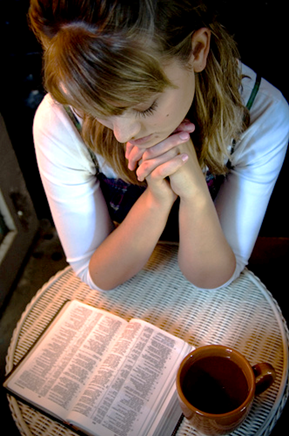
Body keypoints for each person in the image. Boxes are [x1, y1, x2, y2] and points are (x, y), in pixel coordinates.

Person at [28, 0, 289, 292]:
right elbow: (96, 275)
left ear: (197, 50)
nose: (122, 134)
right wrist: (156, 199)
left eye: (145, 106)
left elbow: (213, 277)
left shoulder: (261, 113)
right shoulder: (60, 120)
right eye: (94, 108)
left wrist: (196, 196)